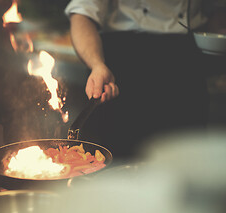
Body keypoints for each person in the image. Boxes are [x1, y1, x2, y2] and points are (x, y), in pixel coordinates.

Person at [65, 0, 226, 160]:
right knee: (116, 162)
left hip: (184, 65)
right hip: (125, 65)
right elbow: (82, 13)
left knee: (185, 159)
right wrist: (97, 65)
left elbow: (217, 11)